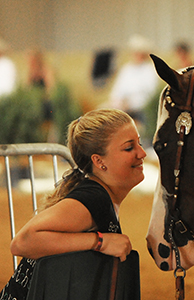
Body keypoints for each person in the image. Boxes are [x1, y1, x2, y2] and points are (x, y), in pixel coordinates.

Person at [1, 108, 147, 299]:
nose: (142, 153)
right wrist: (100, 241)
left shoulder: (98, 196)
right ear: (99, 161)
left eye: (140, 143)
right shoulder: (92, 198)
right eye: (129, 147)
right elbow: (22, 242)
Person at [110, 34, 158, 148]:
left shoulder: (150, 70)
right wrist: (119, 102)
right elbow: (116, 91)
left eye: (139, 53)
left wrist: (131, 103)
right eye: (135, 52)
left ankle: (145, 143)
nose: (137, 55)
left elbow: (150, 95)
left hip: (141, 108)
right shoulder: (126, 69)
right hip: (124, 106)